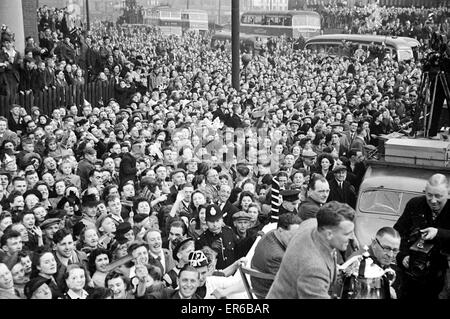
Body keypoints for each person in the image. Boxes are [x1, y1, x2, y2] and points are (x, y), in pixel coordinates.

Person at [267, 201, 355, 299]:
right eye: (347, 234)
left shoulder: (313, 224)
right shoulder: (314, 269)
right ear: (329, 234)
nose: (351, 237)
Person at [394, 173, 450, 299]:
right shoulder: (415, 204)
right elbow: (398, 232)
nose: (433, 200)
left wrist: (439, 233)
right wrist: (403, 256)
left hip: (441, 278)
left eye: (438, 196)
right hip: (411, 276)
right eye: (429, 195)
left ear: (448, 193)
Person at [250, 213, 302, 299]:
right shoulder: (276, 256)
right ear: (280, 230)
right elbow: (291, 283)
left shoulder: (271, 233)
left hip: (264, 284)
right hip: (268, 293)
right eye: (292, 236)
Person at [340, 227, 401, 299]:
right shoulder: (357, 261)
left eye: (395, 250)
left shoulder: (380, 257)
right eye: (386, 248)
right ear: (374, 243)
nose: (390, 255)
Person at [195, 204, 239, 270]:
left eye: (217, 221)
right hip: (214, 276)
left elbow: (238, 249)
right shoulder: (201, 240)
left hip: (232, 273)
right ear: (206, 222)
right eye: (211, 222)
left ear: (222, 220)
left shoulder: (228, 231)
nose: (215, 225)